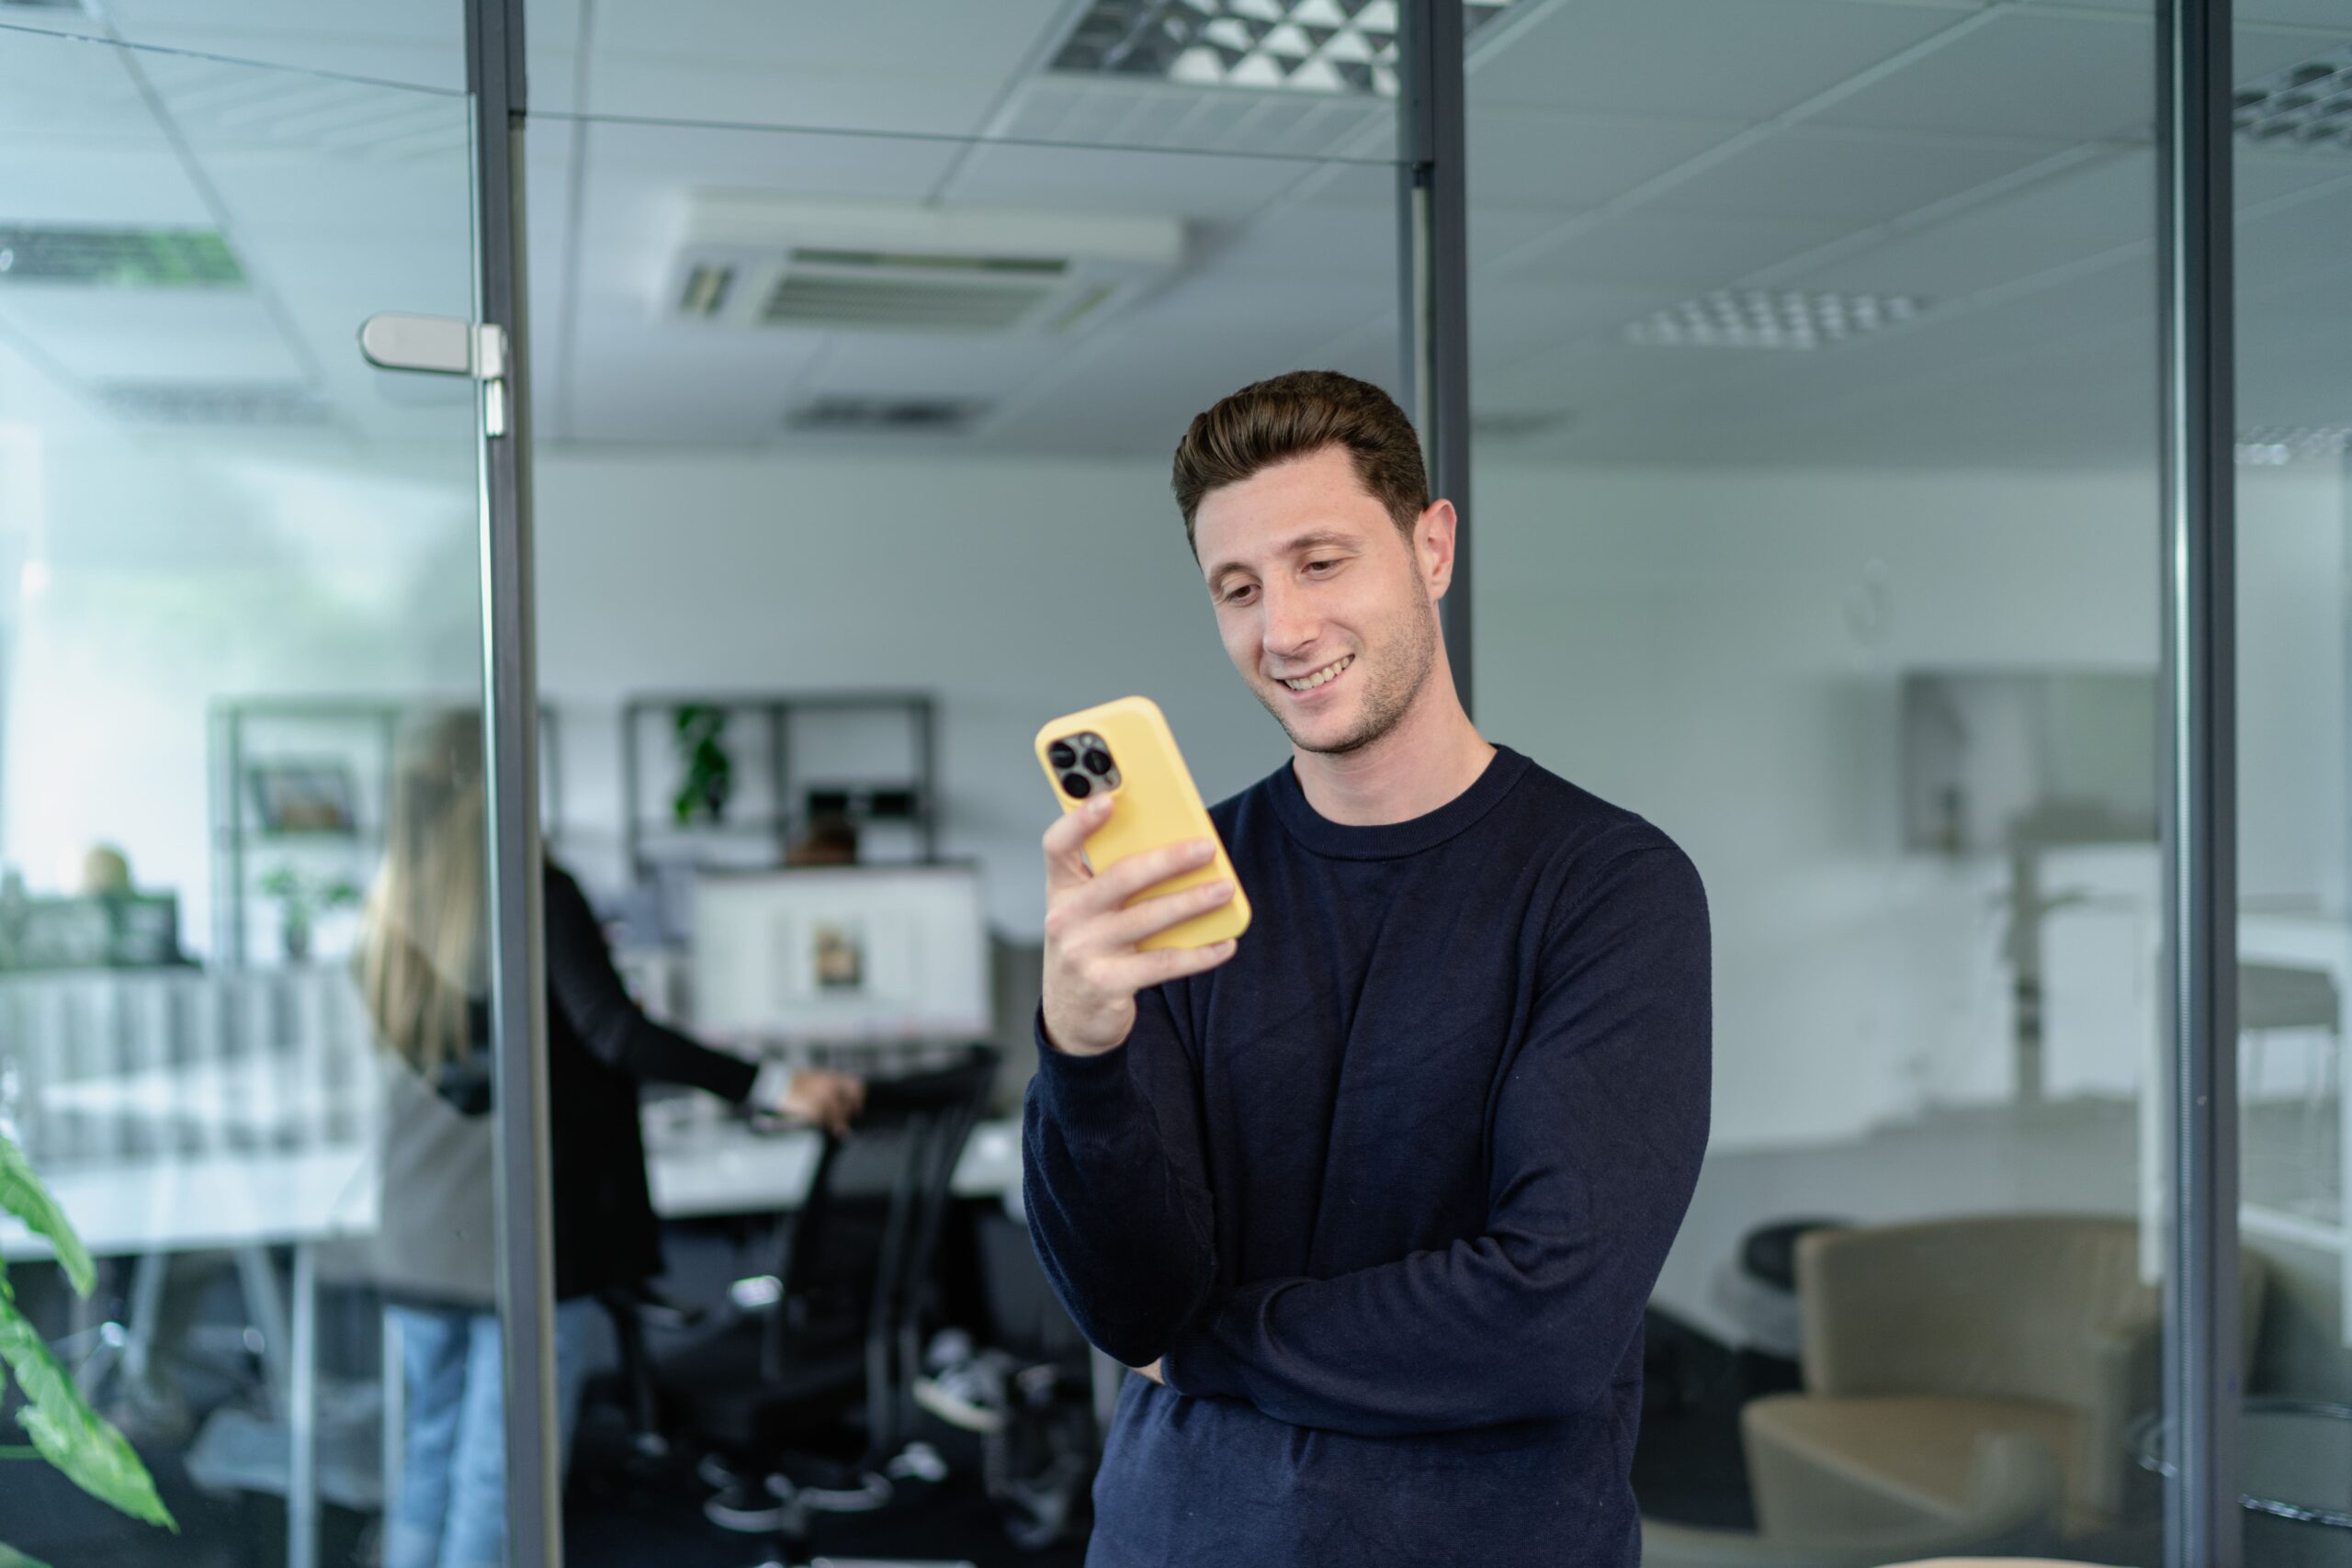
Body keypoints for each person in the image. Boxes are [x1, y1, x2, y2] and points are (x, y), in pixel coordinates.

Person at [1022, 370, 1712, 1566]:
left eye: (1321, 560)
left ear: (1431, 546)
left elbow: (1545, 1321)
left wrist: (1208, 1346)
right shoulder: (1184, 884)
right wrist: (1078, 1048)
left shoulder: (1608, 885)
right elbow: (1129, 1304)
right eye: (1238, 587)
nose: (1281, 627)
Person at [359, 712, 865, 1568]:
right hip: (526, 1230)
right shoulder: (528, 889)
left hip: (417, 1227)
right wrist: (779, 1083)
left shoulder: (390, 906)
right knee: (502, 1479)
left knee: (431, 1458)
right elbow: (615, 1032)